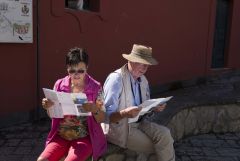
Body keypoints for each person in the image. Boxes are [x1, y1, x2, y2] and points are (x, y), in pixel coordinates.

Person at [102, 44, 175, 161]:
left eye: (148, 64)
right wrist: (124, 113)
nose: (145, 68)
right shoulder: (116, 79)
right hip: (120, 128)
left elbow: (144, 109)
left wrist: (154, 108)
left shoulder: (143, 80)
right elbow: (105, 117)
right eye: (142, 63)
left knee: (165, 135)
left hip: (140, 123)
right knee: (162, 147)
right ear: (130, 61)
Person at [37, 47, 107, 161]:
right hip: (60, 137)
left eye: (80, 70)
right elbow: (52, 116)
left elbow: (102, 118)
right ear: (67, 69)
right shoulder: (59, 85)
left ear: (87, 68)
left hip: (84, 138)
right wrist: (48, 107)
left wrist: (94, 109)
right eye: (72, 71)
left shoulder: (96, 88)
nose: (76, 74)